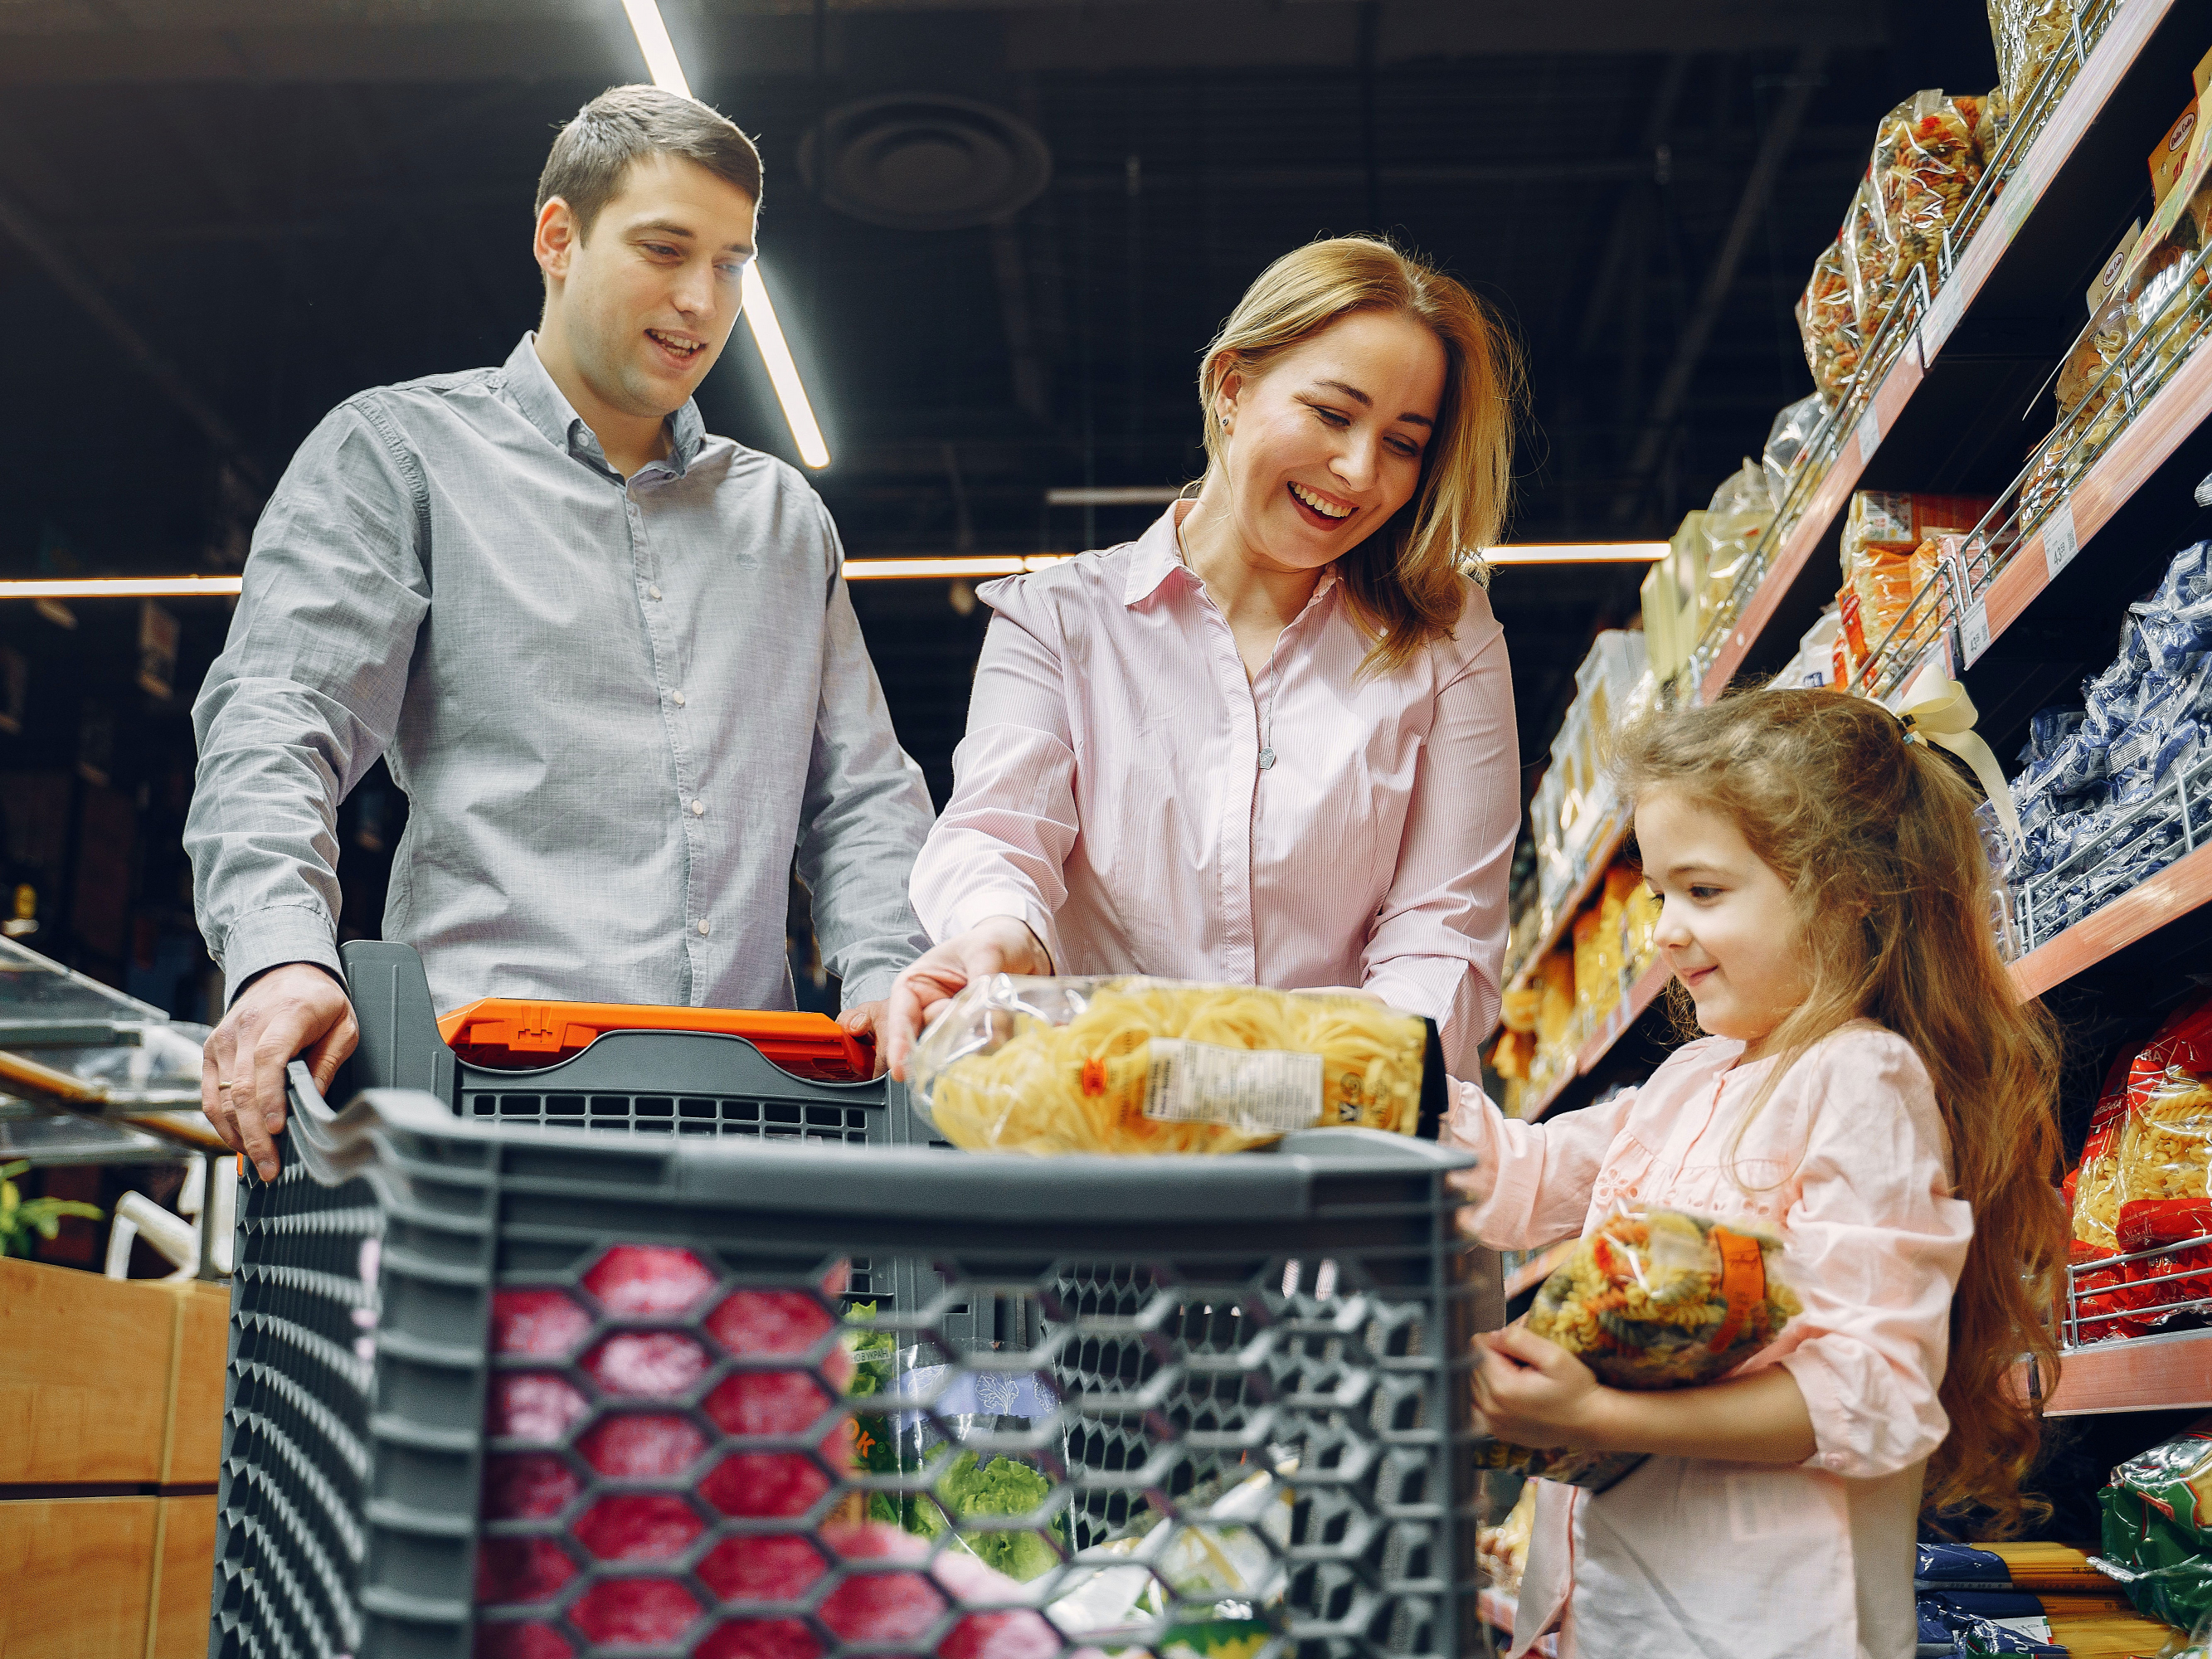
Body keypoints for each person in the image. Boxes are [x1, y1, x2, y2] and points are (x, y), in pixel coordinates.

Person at [186, 86, 935, 1179]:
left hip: (751, 1132)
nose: (700, 300)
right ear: (558, 237)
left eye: (730, 263)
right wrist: (279, 958)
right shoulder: (400, 457)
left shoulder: (782, 522)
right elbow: (277, 718)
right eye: (665, 248)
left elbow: (861, 799)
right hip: (479, 1124)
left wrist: (888, 980)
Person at [1450, 688, 2066, 1659]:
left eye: (1703, 891)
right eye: (1659, 894)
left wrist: (1595, 1414)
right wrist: (1363, 1064)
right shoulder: (1690, 1079)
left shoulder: (1861, 1080)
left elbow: (1872, 1390)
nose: (1664, 931)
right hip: (1610, 1613)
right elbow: (1516, 1175)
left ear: (1851, 890)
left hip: (1763, 1622)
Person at [882, 236, 1522, 1082]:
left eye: (1404, 443)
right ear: (1231, 386)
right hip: (1108, 1127)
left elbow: (1444, 929)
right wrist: (998, 936)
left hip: (1347, 1147)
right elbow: (1000, 833)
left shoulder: (1446, 636)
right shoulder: (1058, 621)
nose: (1360, 470)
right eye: (1333, 414)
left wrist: (1293, 1084)